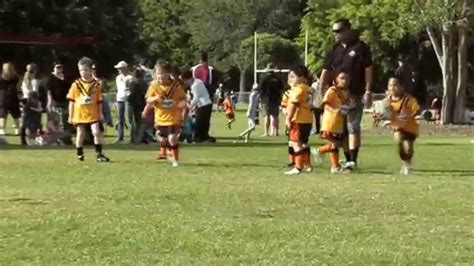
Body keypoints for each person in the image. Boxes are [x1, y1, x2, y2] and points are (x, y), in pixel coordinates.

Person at [320, 18, 374, 171]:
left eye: (338, 30)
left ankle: (352, 161)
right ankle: (344, 160)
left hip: (355, 94)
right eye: (334, 31)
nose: (335, 34)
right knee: (339, 130)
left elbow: (368, 69)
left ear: (348, 30)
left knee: (353, 127)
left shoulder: (360, 47)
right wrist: (322, 90)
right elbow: (326, 70)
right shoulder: (334, 49)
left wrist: (368, 90)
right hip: (337, 96)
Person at [67, 57, 110, 162]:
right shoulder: (76, 85)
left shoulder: (96, 85)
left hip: (93, 112)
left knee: (96, 132)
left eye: (86, 70)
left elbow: (99, 101)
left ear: (91, 70)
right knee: (80, 133)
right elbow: (71, 101)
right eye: (81, 70)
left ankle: (99, 154)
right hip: (80, 113)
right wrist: (70, 115)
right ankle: (79, 153)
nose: (83, 73)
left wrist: (100, 113)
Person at [145, 62, 186, 167]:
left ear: (168, 73)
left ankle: (175, 160)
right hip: (160, 118)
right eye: (158, 74)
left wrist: (180, 104)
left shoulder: (176, 86)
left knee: (172, 138)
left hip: (173, 117)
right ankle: (166, 150)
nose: (160, 76)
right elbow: (148, 99)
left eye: (163, 73)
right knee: (162, 138)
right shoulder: (154, 86)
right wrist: (155, 98)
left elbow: (183, 100)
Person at [313, 71, 352, 174]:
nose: (345, 81)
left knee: (339, 143)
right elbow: (325, 104)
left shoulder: (345, 92)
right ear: (336, 80)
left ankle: (319, 151)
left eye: (347, 79)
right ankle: (335, 167)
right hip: (330, 122)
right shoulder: (332, 90)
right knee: (335, 144)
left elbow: (345, 106)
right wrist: (335, 111)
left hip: (339, 123)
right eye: (342, 78)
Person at [383, 76, 420, 175]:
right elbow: (383, 114)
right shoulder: (387, 101)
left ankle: (407, 164)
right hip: (397, 127)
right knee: (398, 141)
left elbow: (416, 110)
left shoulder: (408, 99)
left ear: (402, 87)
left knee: (408, 148)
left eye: (395, 85)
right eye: (390, 85)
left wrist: (408, 115)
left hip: (410, 127)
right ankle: (404, 162)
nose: (392, 88)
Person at [284, 65, 313, 176]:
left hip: (298, 119)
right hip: (308, 120)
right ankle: (307, 165)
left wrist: (288, 118)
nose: (290, 79)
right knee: (303, 143)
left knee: (295, 143)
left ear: (301, 77)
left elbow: (293, 105)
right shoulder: (309, 89)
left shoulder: (297, 89)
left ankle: (298, 167)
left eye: (292, 76)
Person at [181, 70, 215, 143]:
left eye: (185, 81)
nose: (185, 83)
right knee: (203, 122)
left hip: (204, 105)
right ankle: (204, 137)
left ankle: (200, 138)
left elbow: (196, 98)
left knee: (200, 122)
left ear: (188, 78)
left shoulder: (196, 85)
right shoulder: (197, 82)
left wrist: (189, 106)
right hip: (204, 105)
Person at [45, 62, 73, 144]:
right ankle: (58, 139)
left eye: (60, 67)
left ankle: (66, 138)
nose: (59, 69)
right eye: (57, 67)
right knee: (57, 121)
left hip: (66, 101)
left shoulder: (66, 77)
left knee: (66, 121)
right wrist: (50, 101)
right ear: (53, 68)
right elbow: (49, 91)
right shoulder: (50, 78)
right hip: (56, 103)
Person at [259, 70, 284, 136]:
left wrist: (260, 99)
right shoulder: (278, 79)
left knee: (267, 116)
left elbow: (261, 90)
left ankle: (266, 132)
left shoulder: (264, 79)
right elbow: (281, 90)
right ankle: (276, 132)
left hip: (266, 100)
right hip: (276, 100)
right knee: (275, 116)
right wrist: (280, 99)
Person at [20, 63, 40, 145]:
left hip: (25, 101)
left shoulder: (24, 81)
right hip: (32, 101)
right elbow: (35, 92)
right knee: (34, 121)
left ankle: (23, 139)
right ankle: (32, 139)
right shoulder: (34, 81)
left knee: (25, 121)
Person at [114, 60, 133, 144]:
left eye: (120, 68)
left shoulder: (130, 77)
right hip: (120, 99)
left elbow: (129, 87)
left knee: (130, 118)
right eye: (118, 69)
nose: (119, 70)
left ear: (125, 68)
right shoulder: (118, 77)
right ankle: (120, 137)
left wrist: (127, 83)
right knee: (120, 119)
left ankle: (132, 137)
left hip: (128, 99)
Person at [0, 62, 21, 136]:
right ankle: (17, 129)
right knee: (16, 114)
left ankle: (2, 130)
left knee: (3, 114)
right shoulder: (15, 77)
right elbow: (17, 82)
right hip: (13, 96)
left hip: (3, 96)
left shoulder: (1, 78)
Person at [128, 69, 147, 143]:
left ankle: (135, 138)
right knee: (139, 122)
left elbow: (132, 95)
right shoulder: (143, 83)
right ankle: (139, 138)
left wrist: (129, 100)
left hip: (134, 104)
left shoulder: (134, 83)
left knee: (134, 122)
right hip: (140, 104)